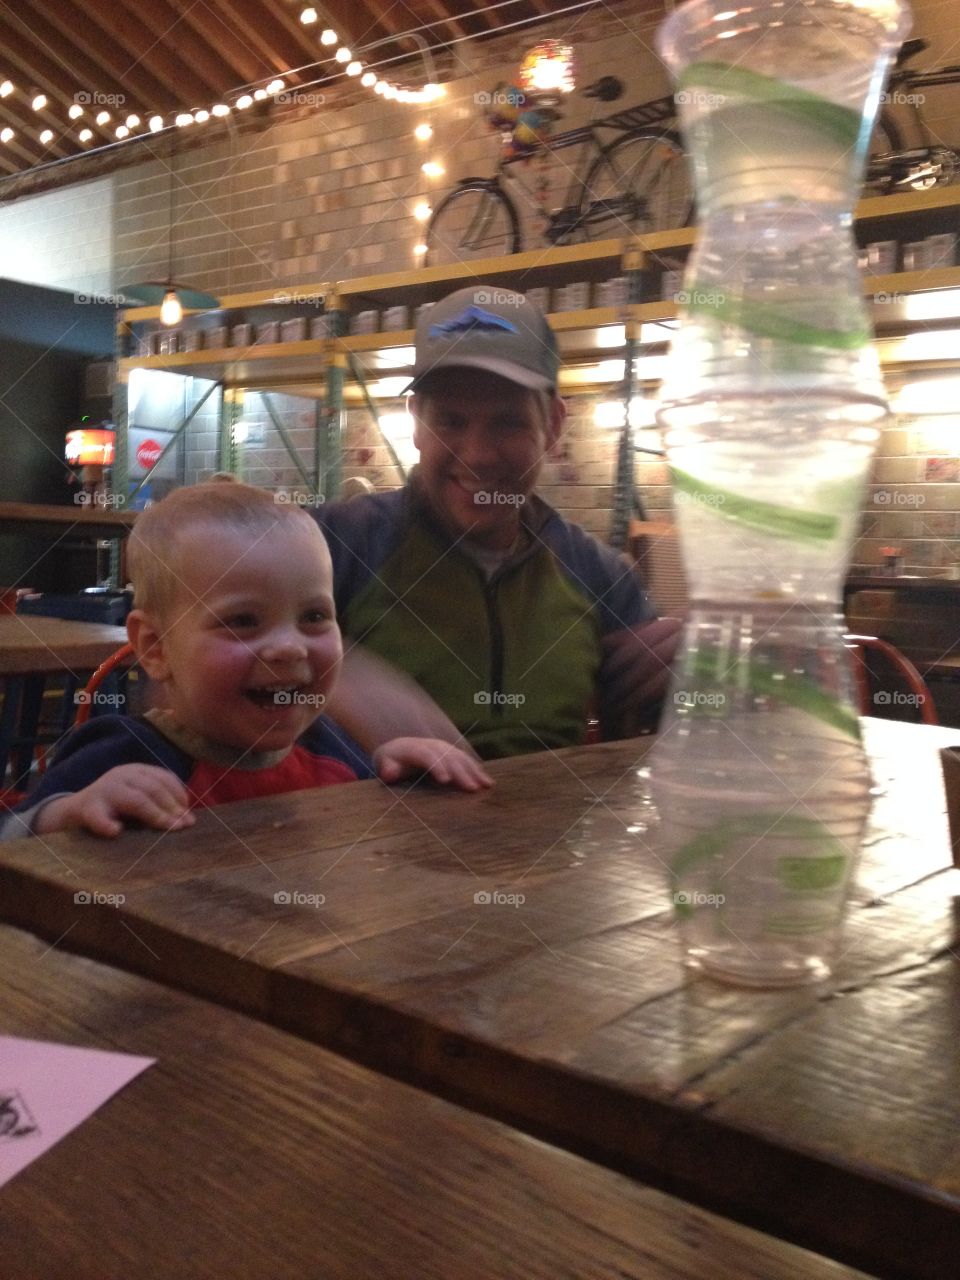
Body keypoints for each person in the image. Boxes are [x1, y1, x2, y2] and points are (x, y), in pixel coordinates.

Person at [2, 482, 490, 840]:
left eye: (315, 616)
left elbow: (359, 831)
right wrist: (69, 812)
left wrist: (393, 775)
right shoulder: (127, 753)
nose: (289, 647)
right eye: (243, 621)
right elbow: (14, 845)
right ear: (155, 647)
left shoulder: (328, 746)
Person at [317, 285, 681, 759]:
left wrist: (704, 662)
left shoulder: (598, 575)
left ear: (552, 425)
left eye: (507, 423)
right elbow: (201, 636)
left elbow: (665, 727)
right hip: (372, 831)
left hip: (551, 828)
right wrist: (334, 673)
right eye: (451, 421)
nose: (478, 455)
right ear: (417, 422)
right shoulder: (339, 546)